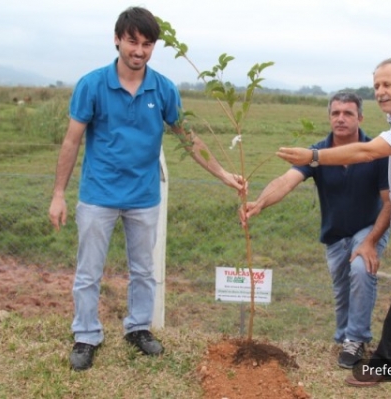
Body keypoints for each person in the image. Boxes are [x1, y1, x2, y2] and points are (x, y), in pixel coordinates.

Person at [48, 6, 244, 372]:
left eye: (147, 44)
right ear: (117, 40)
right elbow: (72, 141)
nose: (139, 51)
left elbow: (188, 138)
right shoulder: (91, 84)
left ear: (154, 47)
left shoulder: (164, 89)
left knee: (143, 270)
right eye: (132, 42)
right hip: (98, 195)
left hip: (143, 197)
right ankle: (86, 335)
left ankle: (138, 328)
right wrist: (59, 194)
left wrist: (223, 173)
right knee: (89, 271)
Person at [276, 58, 391, 387]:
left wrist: (314, 157)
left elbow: (365, 153)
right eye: (377, 85)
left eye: (388, 84)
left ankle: (384, 363)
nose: (380, 91)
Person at [240, 90, 391, 369]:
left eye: (348, 113)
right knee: (342, 290)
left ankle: (356, 340)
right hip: (335, 235)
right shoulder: (316, 153)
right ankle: (344, 339)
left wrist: (371, 241)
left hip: (369, 229)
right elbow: (286, 180)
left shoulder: (376, 152)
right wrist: (259, 203)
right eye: (335, 113)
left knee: (360, 270)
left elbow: (389, 202)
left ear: (360, 117)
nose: (341, 119)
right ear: (329, 117)